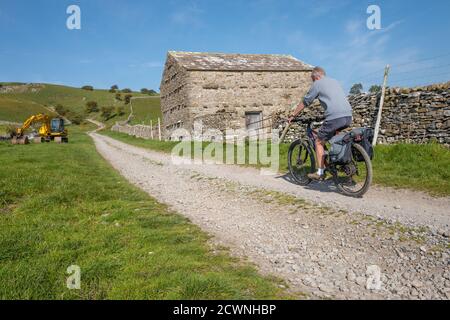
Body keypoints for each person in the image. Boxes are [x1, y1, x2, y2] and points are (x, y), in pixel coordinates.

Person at [288, 67, 353, 180]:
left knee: (318, 141)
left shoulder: (317, 84)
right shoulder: (334, 81)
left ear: (316, 76)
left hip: (335, 117)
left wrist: (293, 115)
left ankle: (320, 173)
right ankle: (337, 163)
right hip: (348, 115)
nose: (313, 82)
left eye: (313, 79)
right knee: (334, 138)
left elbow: (305, 102)